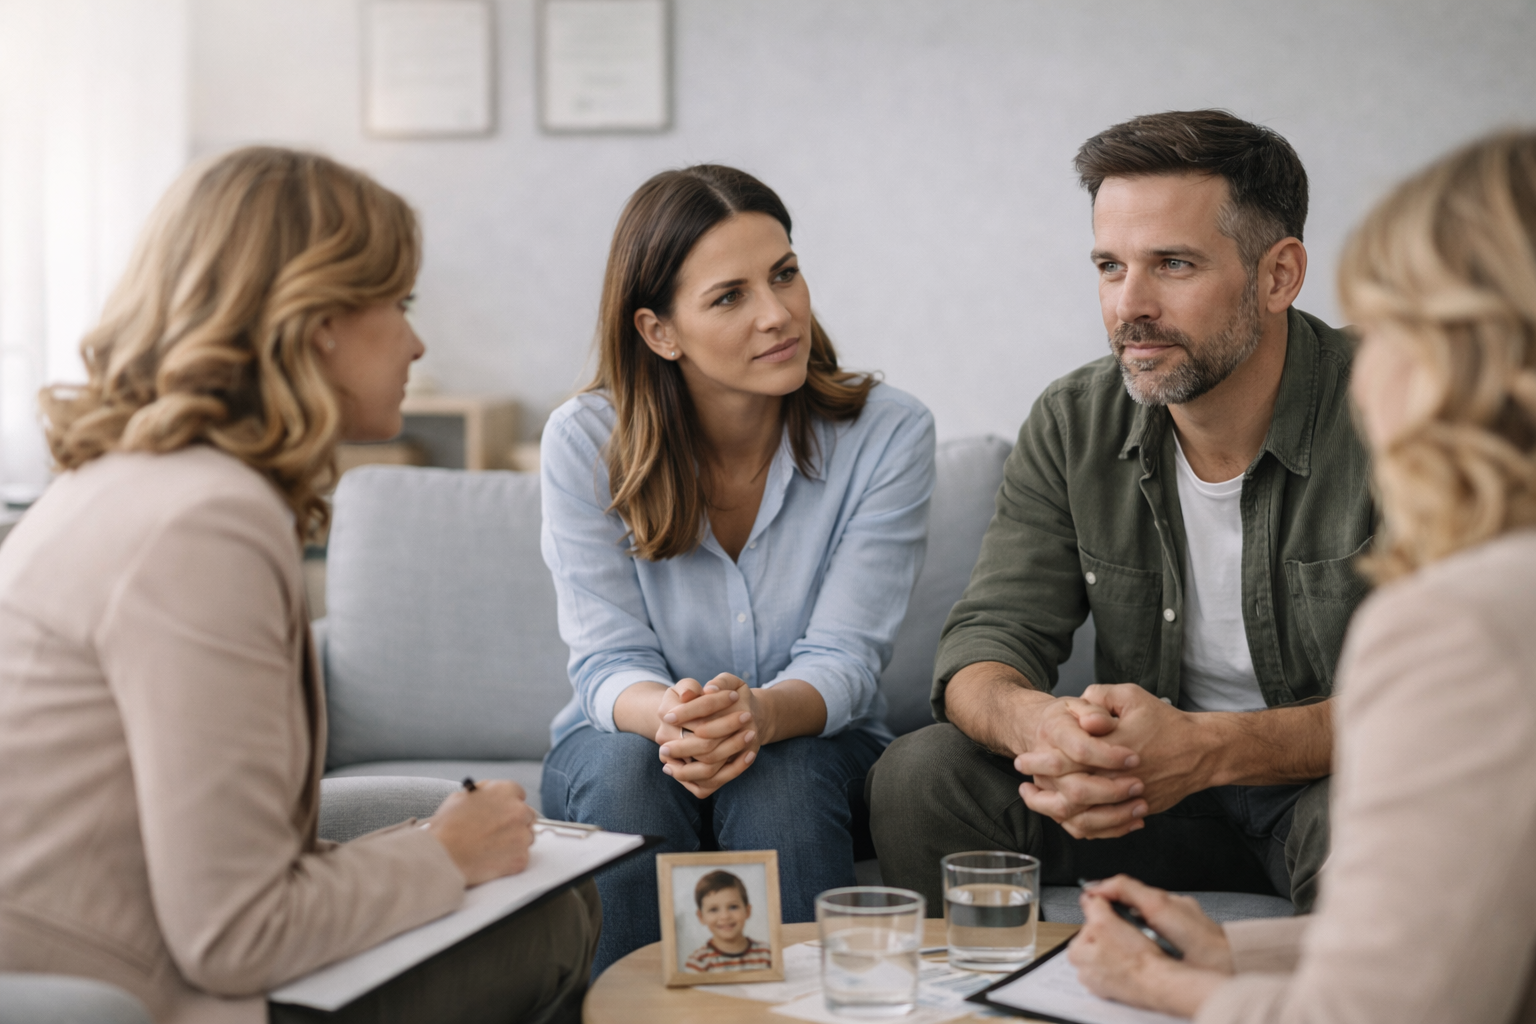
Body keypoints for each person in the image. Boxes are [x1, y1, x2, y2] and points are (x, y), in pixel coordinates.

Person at [0, 147, 599, 1024]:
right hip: (121, 993)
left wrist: (430, 850)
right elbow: (237, 931)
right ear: (318, 320)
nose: (417, 341)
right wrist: (446, 859)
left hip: (117, 947)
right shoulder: (202, 523)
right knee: (545, 925)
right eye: (399, 305)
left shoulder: (127, 483)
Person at [1067, 129, 1536, 1024]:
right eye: (1108, 265)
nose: (1363, 371)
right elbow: (1475, 928)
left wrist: (1164, 984)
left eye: (1392, 327)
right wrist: (1234, 950)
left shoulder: (1466, 622)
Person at [868, 110, 1374, 913]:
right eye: (1110, 266)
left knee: (1396, 825)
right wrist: (1043, 727)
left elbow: (1460, 700)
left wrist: (1211, 750)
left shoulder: (1402, 408)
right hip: (1136, 799)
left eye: (1172, 264)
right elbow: (986, 644)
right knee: (922, 777)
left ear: (1278, 275)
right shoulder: (1075, 421)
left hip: (1326, 791)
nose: (1128, 306)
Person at [539, 164, 935, 974]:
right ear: (659, 332)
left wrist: (760, 714)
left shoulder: (888, 434)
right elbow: (606, 664)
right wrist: (686, 718)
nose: (779, 313)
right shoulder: (584, 442)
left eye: (784, 273)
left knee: (781, 778)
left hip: (813, 749)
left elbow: (847, 660)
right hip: (632, 744)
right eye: (731, 297)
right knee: (624, 775)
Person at [683, 871, 772, 973]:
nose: (725, 916)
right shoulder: (698, 962)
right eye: (713, 909)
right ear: (701, 917)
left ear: (747, 911)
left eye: (733, 907)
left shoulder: (766, 954)